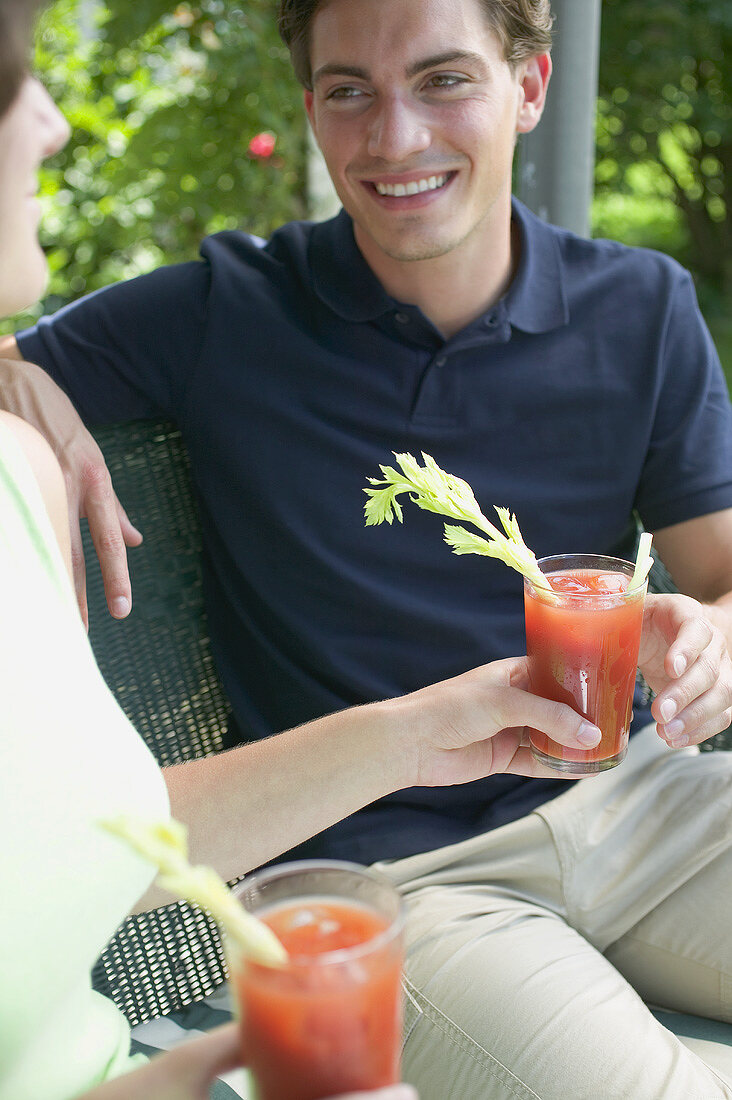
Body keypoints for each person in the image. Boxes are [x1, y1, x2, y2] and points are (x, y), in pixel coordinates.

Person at [2, 0, 732, 1095]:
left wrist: (712, 637)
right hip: (401, 880)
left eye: (443, 80)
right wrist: (25, 387)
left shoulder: (644, 309)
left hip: (644, 800)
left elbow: (723, 580)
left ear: (529, 88)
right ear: (310, 110)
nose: (393, 138)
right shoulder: (221, 312)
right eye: (350, 92)